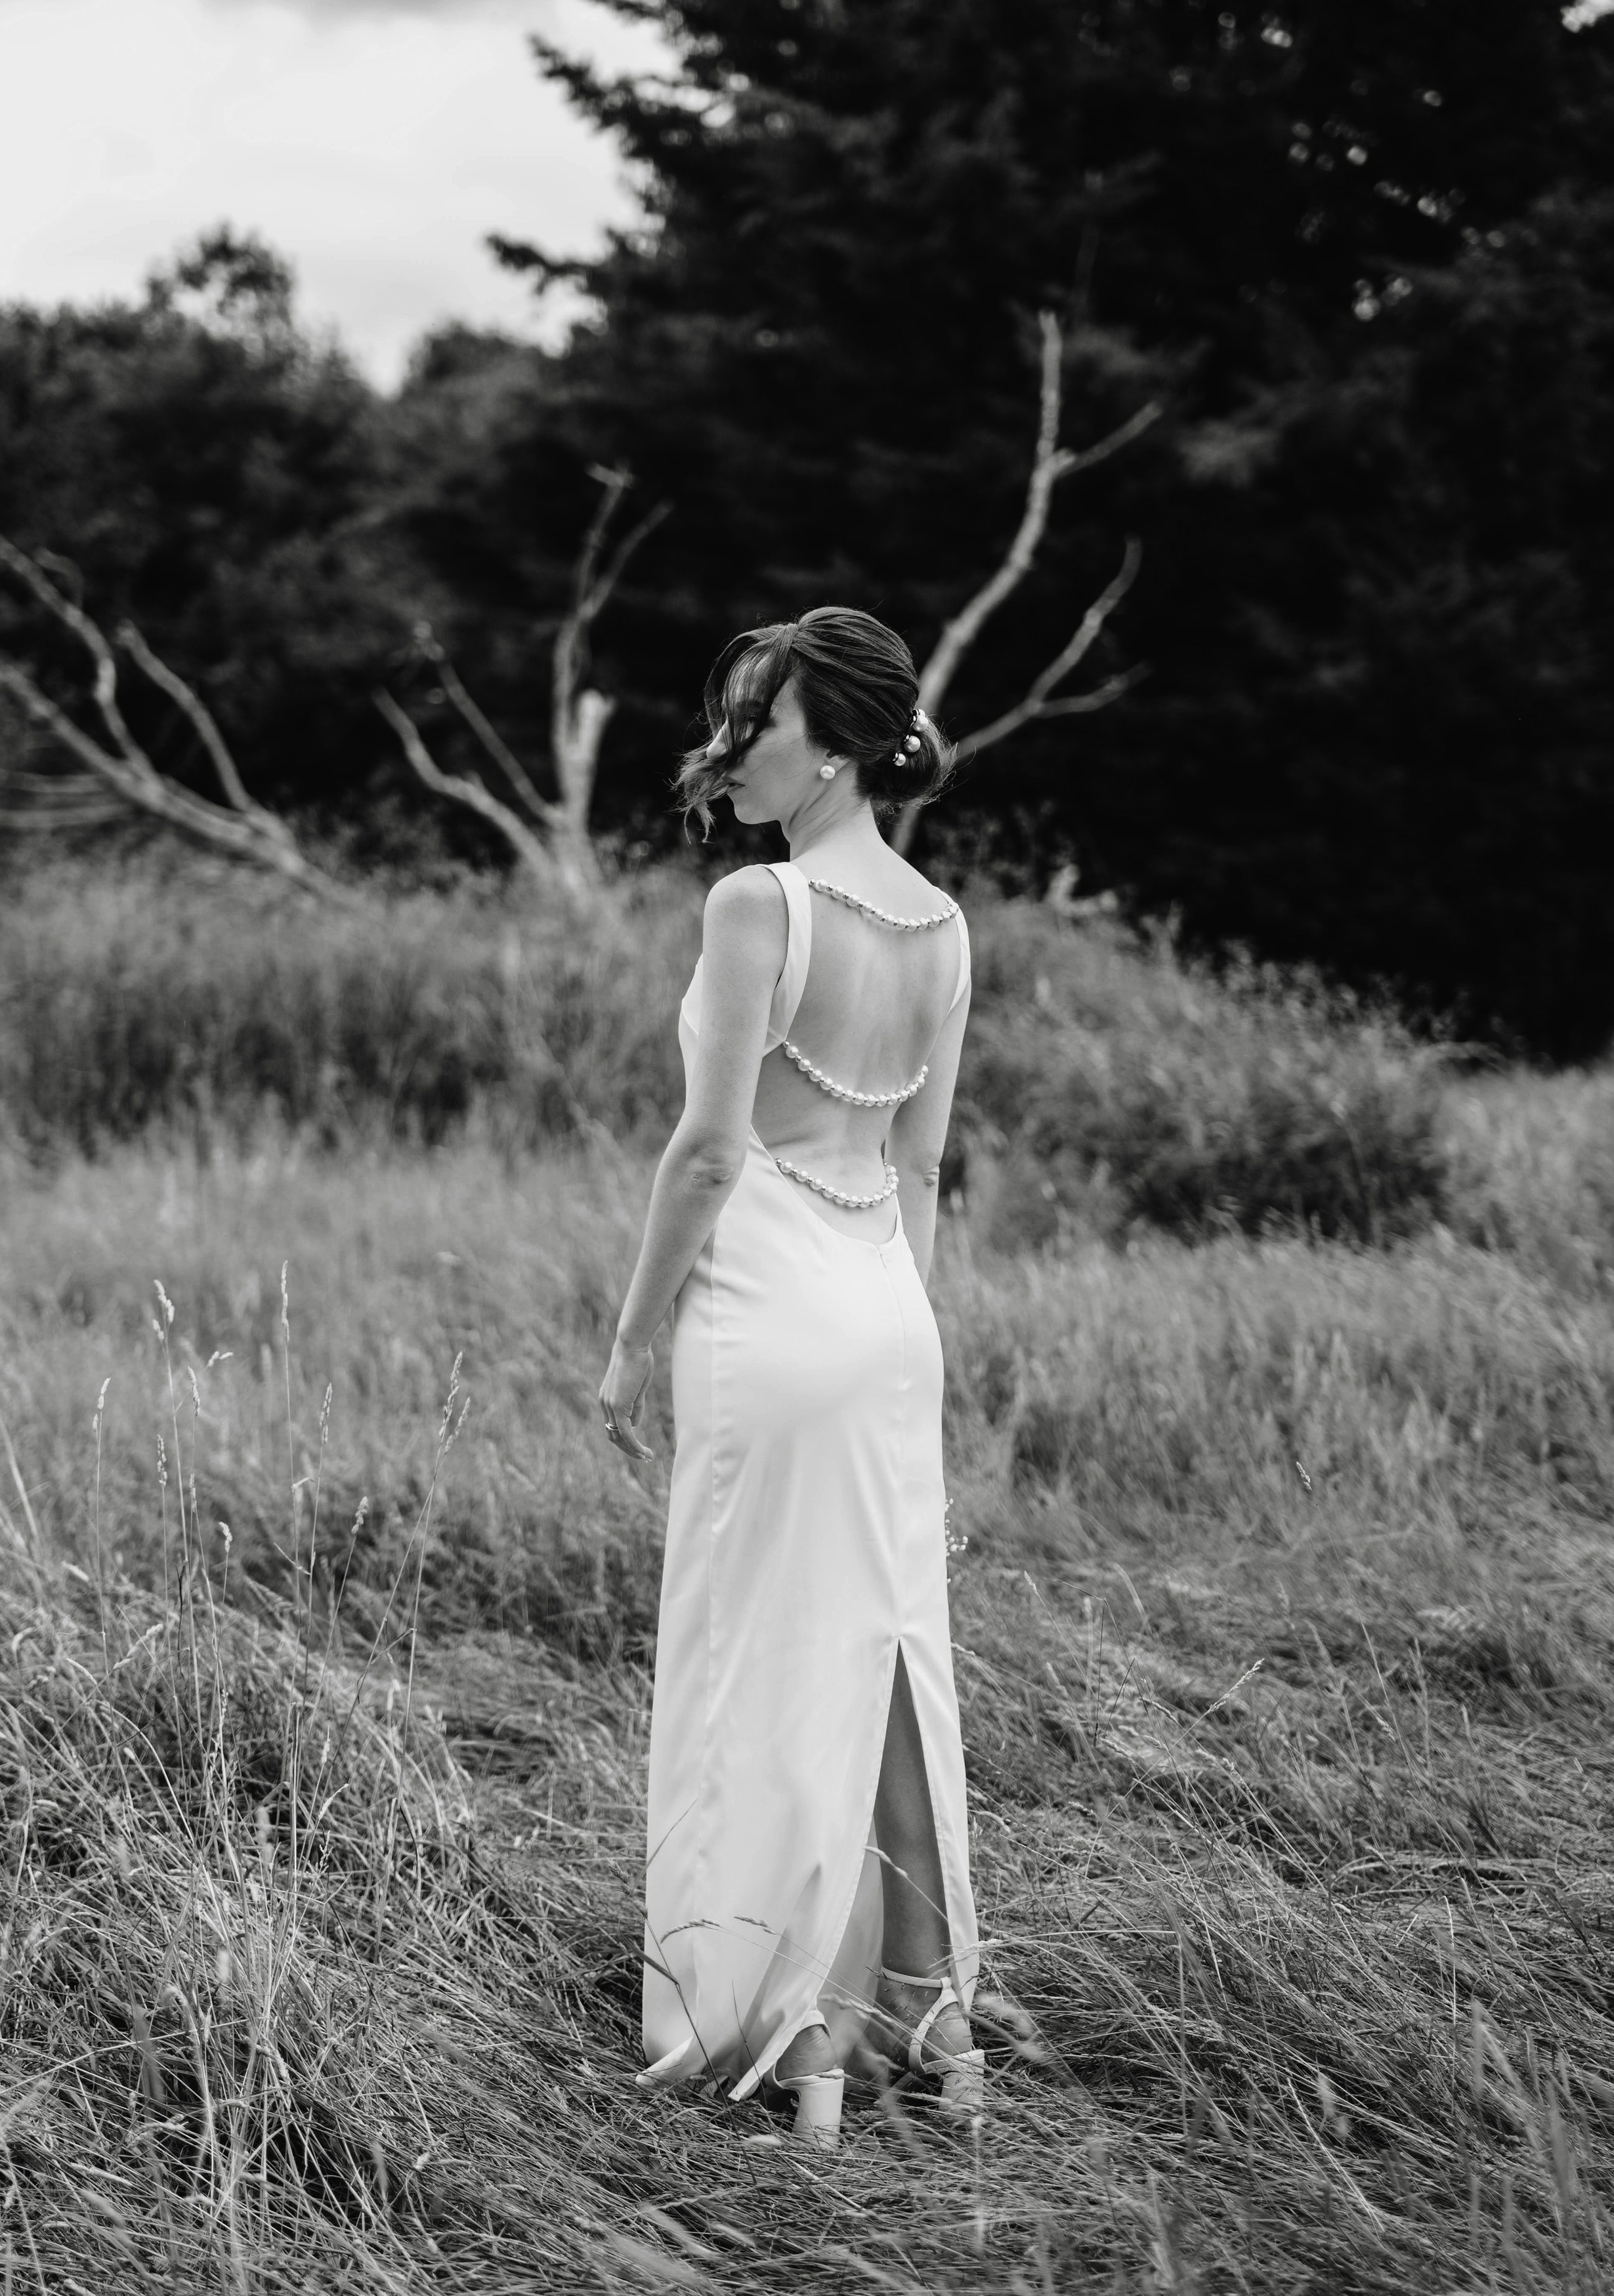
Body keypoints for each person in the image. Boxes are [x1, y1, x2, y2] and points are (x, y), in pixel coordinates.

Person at [597, 607, 983, 2152]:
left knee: (759, 1668)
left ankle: (784, 2040)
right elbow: (924, 1167)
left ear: (831, 742)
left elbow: (703, 1155)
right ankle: (924, 2027)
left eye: (755, 722)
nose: (730, 747)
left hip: (763, 1311)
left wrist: (628, 1344)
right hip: (886, 1320)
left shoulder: (758, 902)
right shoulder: (941, 925)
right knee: (888, 1669)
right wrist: (913, 1354)